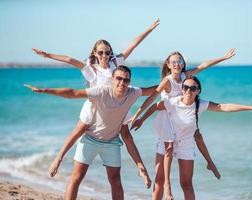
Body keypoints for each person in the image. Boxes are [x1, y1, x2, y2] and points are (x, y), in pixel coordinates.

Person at [32, 19, 160, 186]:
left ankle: (141, 169)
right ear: (95, 53)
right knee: (79, 130)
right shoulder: (91, 69)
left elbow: (133, 44)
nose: (105, 56)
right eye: (101, 53)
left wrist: (149, 29)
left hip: (117, 106)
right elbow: (70, 59)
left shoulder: (115, 63)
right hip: (95, 107)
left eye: (107, 52)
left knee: (126, 135)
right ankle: (58, 158)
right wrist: (47, 55)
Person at [25, 66, 157, 200]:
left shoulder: (132, 92)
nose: (122, 83)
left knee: (115, 179)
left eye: (126, 80)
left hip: (111, 142)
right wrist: (45, 90)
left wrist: (173, 82)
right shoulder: (101, 92)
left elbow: (156, 90)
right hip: (90, 139)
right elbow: (73, 93)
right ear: (112, 79)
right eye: (118, 78)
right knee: (77, 176)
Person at [132, 76, 252, 200]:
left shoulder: (200, 104)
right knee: (160, 180)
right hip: (166, 141)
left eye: (193, 88)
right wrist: (141, 120)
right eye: (185, 87)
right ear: (182, 88)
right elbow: (155, 106)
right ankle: (167, 191)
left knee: (186, 184)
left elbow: (224, 106)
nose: (188, 91)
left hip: (186, 144)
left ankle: (209, 165)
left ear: (198, 91)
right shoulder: (172, 102)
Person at [129, 49, 235, 199]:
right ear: (168, 64)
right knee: (167, 156)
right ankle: (167, 187)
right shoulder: (167, 80)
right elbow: (152, 99)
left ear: (183, 63)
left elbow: (204, 65)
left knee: (197, 136)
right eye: (174, 62)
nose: (177, 64)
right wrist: (137, 115)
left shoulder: (186, 77)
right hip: (167, 118)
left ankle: (209, 163)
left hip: (181, 118)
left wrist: (223, 57)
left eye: (180, 61)